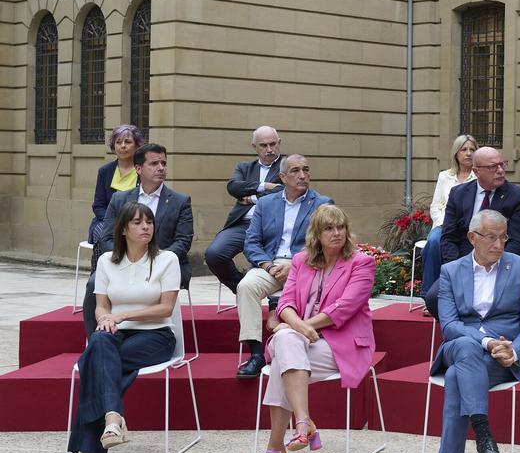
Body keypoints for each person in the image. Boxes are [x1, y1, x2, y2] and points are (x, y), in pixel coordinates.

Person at [409, 210, 520, 453]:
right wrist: (485, 341)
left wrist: (515, 350)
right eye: (491, 237)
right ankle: (483, 436)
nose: (499, 244)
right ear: (472, 238)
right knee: (466, 347)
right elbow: (450, 326)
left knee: (458, 375)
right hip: (463, 345)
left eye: (503, 237)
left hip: (503, 357)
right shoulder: (451, 271)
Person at [253, 204, 376, 453]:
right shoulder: (301, 260)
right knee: (287, 340)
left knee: (281, 358)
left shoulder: (361, 263)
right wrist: (297, 326)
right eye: (329, 228)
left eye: (340, 227)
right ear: (316, 234)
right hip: (300, 339)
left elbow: (344, 309)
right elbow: (284, 303)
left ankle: (275, 450)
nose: (336, 233)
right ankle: (303, 423)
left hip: (340, 345)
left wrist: (300, 326)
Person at [66, 202, 181, 453]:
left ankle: (90, 449)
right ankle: (112, 421)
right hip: (117, 335)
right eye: (138, 223)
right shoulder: (107, 261)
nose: (145, 227)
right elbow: (101, 305)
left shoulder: (167, 260)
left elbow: (166, 308)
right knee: (99, 342)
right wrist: (105, 317)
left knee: (95, 361)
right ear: (123, 230)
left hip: (157, 336)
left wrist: (121, 316)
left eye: (149, 222)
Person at [235, 154, 333, 378]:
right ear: (282, 177)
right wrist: (268, 266)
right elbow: (251, 241)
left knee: (297, 283)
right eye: (296, 171)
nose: (302, 175)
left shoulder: (322, 204)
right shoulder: (266, 203)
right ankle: (256, 354)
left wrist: (297, 264)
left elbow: (324, 243)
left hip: (307, 265)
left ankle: (281, 320)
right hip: (270, 264)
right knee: (246, 286)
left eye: (306, 170)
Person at [83, 143, 193, 336]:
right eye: (154, 163)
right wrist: (126, 259)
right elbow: (107, 237)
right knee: (93, 284)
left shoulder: (180, 201)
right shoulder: (119, 199)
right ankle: (97, 337)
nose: (161, 168)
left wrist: (154, 260)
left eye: (163, 163)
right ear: (138, 168)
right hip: (124, 262)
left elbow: (183, 242)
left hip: (164, 265)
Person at [422, 146, 520, 318]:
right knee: (434, 298)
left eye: (502, 165)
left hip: (499, 265)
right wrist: (458, 270)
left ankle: (484, 334)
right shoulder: (458, 193)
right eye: (493, 167)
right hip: (465, 263)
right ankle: (462, 334)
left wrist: (496, 269)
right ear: (476, 171)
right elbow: (448, 237)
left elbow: (518, 242)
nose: (501, 171)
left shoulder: (517, 196)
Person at [204, 126, 285, 294]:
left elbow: (284, 190)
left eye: (273, 144)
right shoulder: (244, 168)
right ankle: (242, 289)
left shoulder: (287, 166)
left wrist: (252, 198)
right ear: (254, 146)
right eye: (263, 145)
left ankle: (272, 299)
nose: (269, 150)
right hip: (242, 224)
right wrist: (265, 186)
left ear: (279, 143)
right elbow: (233, 187)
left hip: (273, 226)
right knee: (214, 254)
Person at [420, 134, 477, 310]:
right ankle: (430, 297)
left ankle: (450, 295)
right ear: (456, 153)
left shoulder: (478, 177)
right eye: (464, 149)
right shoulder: (445, 176)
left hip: (469, 226)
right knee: (435, 242)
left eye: (472, 150)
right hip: (444, 224)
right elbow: (436, 205)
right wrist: (445, 223)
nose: (468, 153)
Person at [89, 125, 144, 244]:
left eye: (128, 142)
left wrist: (129, 223)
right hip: (106, 222)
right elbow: (98, 206)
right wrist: (116, 223)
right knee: (103, 235)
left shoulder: (142, 171)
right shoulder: (105, 171)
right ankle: (102, 263)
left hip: (136, 222)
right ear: (114, 146)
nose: (123, 146)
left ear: (136, 145)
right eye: (118, 142)